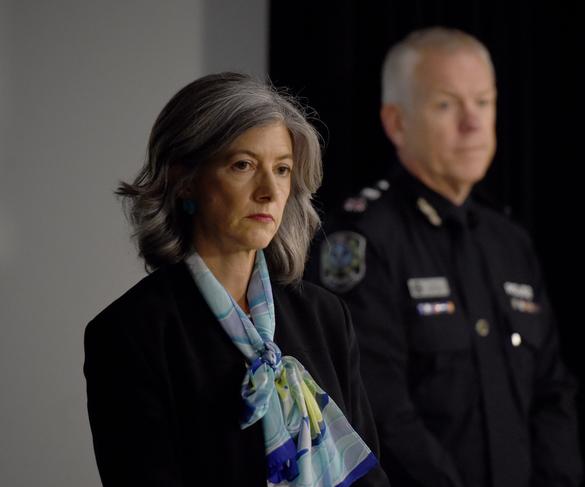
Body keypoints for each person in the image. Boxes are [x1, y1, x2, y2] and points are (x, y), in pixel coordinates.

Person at [83, 72, 390, 487]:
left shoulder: (325, 315)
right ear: (184, 179)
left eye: (282, 169)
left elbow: (369, 477)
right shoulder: (129, 332)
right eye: (242, 165)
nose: (269, 191)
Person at [309, 28, 582, 487]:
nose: (472, 123)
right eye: (446, 104)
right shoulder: (362, 240)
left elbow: (552, 391)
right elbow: (377, 407)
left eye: (483, 102)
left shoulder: (509, 242)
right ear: (397, 123)